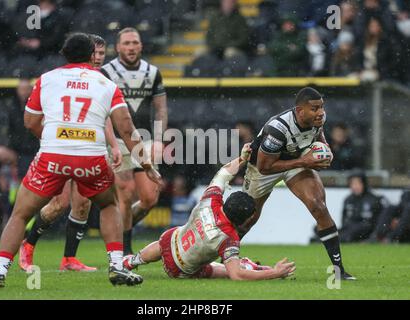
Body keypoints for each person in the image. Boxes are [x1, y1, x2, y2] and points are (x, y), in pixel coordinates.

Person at [0, 32, 161, 288]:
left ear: (64, 55)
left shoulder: (47, 79)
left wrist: (55, 140)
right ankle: (117, 266)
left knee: (20, 214)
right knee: (109, 205)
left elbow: (30, 122)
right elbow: (127, 129)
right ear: (90, 56)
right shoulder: (107, 84)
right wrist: (148, 165)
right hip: (91, 158)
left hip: (53, 157)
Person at [18, 34, 123, 272]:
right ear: (87, 54)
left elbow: (103, 119)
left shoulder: (101, 80)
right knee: (59, 204)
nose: (98, 58)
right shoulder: (61, 77)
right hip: (60, 146)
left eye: (102, 54)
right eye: (95, 53)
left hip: (87, 148)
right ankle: (28, 243)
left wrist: (113, 145)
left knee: (83, 203)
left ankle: (69, 259)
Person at [123, 144, 296, 281]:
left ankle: (132, 261)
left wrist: (242, 158)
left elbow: (224, 172)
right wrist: (275, 273)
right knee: (227, 271)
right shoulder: (229, 239)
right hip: (181, 270)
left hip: (171, 242)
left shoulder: (211, 200)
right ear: (244, 220)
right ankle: (252, 267)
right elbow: (236, 275)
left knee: (167, 239)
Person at [242, 87, 356, 280]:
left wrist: (325, 148)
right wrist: (305, 161)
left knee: (318, 206)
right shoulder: (277, 130)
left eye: (321, 107)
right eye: (314, 108)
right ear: (300, 111)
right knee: (248, 217)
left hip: (296, 160)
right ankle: (224, 261)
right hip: (264, 168)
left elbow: (318, 134)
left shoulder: (319, 118)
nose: (320, 112)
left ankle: (339, 271)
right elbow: (264, 167)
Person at [100, 27, 168, 255]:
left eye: (134, 43)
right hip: (118, 139)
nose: (130, 47)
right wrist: (109, 141)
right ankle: (125, 251)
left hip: (144, 138)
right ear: (118, 47)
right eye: (126, 43)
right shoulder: (106, 72)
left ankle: (120, 230)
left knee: (149, 198)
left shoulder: (153, 72)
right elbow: (103, 110)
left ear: (141, 46)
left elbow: (160, 109)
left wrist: (159, 139)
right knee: (125, 193)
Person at [339, 171, 387, 242]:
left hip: (365, 229)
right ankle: (339, 238)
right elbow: (344, 218)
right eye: (353, 184)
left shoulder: (373, 198)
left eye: (358, 183)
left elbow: (378, 221)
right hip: (349, 227)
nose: (355, 186)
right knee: (321, 229)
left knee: (360, 228)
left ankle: (341, 239)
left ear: (364, 183)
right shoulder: (348, 200)